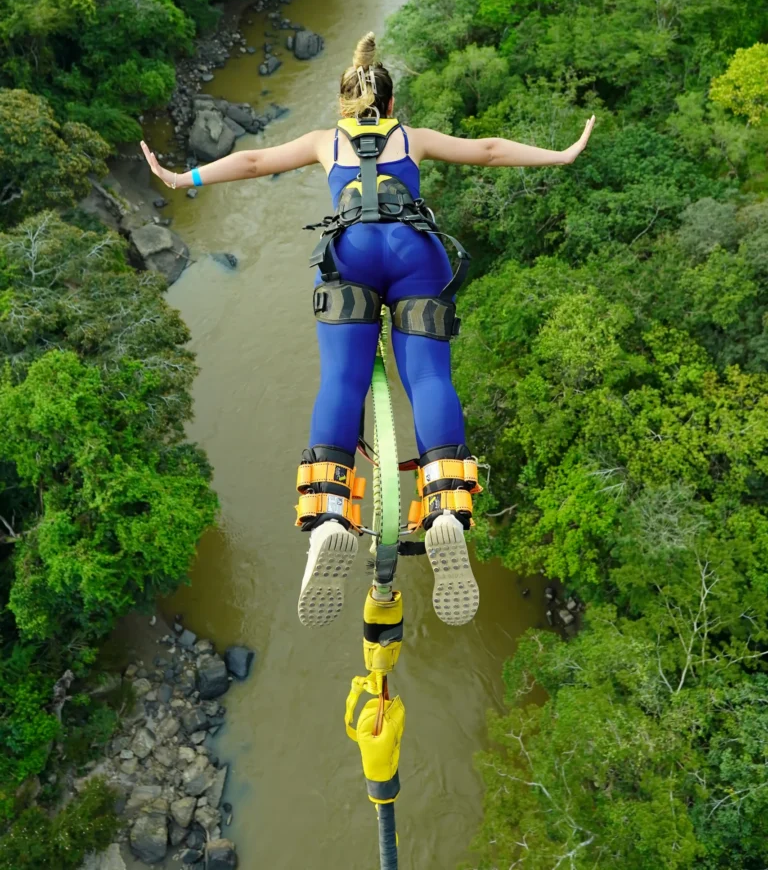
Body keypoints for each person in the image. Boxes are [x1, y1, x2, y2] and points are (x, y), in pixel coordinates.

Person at [141, 32, 594, 630]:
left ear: (344, 102)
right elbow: (486, 150)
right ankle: (447, 509)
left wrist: (182, 179)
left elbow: (252, 162)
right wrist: (560, 154)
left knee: (345, 380)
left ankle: (329, 516)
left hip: (349, 255)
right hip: (416, 254)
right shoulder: (413, 138)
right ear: (390, 101)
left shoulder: (324, 141)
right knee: (429, 376)